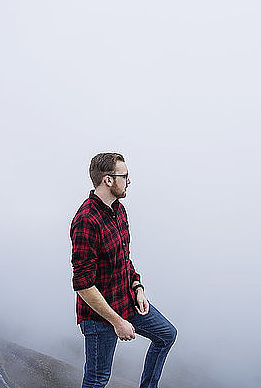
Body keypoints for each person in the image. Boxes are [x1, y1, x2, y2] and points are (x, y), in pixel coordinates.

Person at [70, 152, 177, 388]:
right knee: (97, 379)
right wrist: (117, 322)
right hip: (100, 317)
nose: (129, 180)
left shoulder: (118, 210)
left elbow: (123, 258)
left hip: (126, 300)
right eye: (125, 175)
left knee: (166, 335)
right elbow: (83, 284)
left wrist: (137, 286)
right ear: (108, 180)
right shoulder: (86, 219)